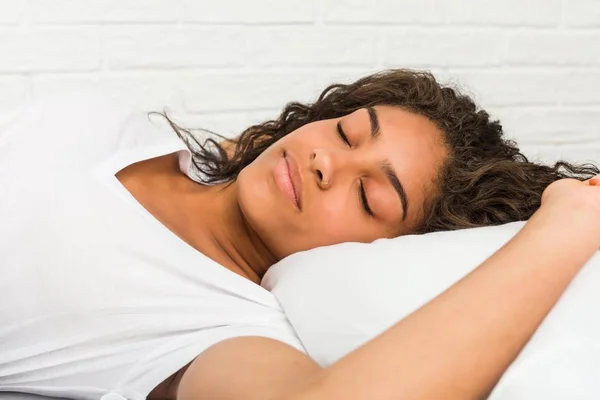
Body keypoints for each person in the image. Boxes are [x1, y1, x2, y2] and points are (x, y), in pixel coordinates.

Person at [0, 69, 597, 400]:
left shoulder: (218, 330)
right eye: (346, 133)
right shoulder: (146, 136)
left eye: (368, 196)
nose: (325, 162)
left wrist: (563, 229)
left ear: (384, 252)